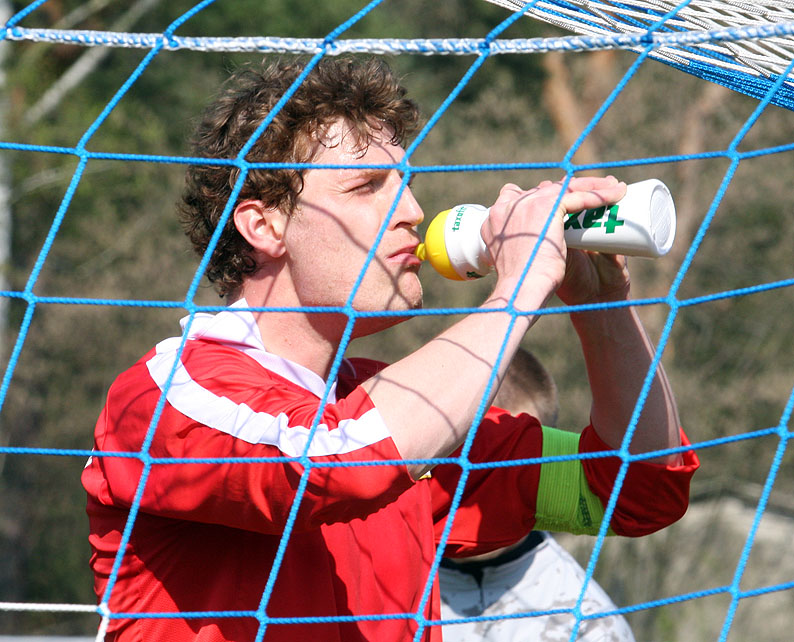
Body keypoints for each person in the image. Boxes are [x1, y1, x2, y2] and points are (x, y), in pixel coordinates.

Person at [82, 57, 699, 642]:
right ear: (263, 226)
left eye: (406, 183)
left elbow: (637, 490)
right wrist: (518, 288)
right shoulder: (167, 394)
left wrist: (602, 306)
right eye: (367, 186)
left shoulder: (392, 410)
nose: (411, 210)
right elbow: (329, 464)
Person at [438, 348, 636, 641]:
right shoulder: (384, 588)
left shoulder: (587, 624)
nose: (490, 493)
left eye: (519, 469)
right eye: (473, 462)